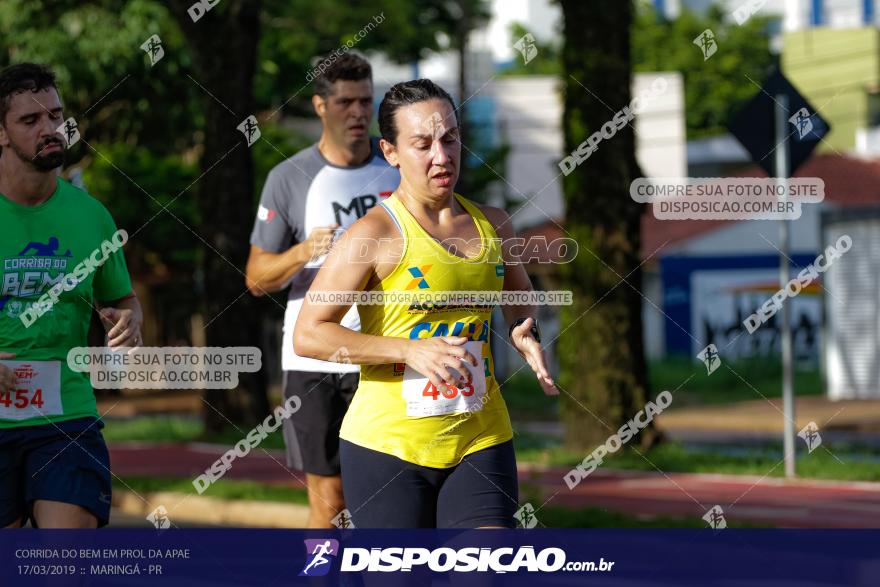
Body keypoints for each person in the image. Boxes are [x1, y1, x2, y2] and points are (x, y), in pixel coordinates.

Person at [294, 78, 557, 528]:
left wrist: (523, 329)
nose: (442, 156)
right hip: (388, 446)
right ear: (390, 151)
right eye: (422, 144)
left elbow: (518, 296)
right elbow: (309, 334)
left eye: (450, 139)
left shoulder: (494, 224)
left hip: (481, 435)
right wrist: (407, 349)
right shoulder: (371, 235)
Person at [245, 53, 399, 528]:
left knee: (389, 500)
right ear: (319, 105)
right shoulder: (288, 178)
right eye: (345, 101)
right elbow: (255, 278)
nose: (358, 112)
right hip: (315, 362)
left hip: (388, 350)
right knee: (330, 504)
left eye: (366, 101)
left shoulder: (400, 167)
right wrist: (302, 252)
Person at [0, 63, 142, 529]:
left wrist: (127, 321)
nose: (50, 130)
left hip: (67, 418)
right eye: (30, 121)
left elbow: (122, 299)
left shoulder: (92, 216)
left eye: (55, 116)